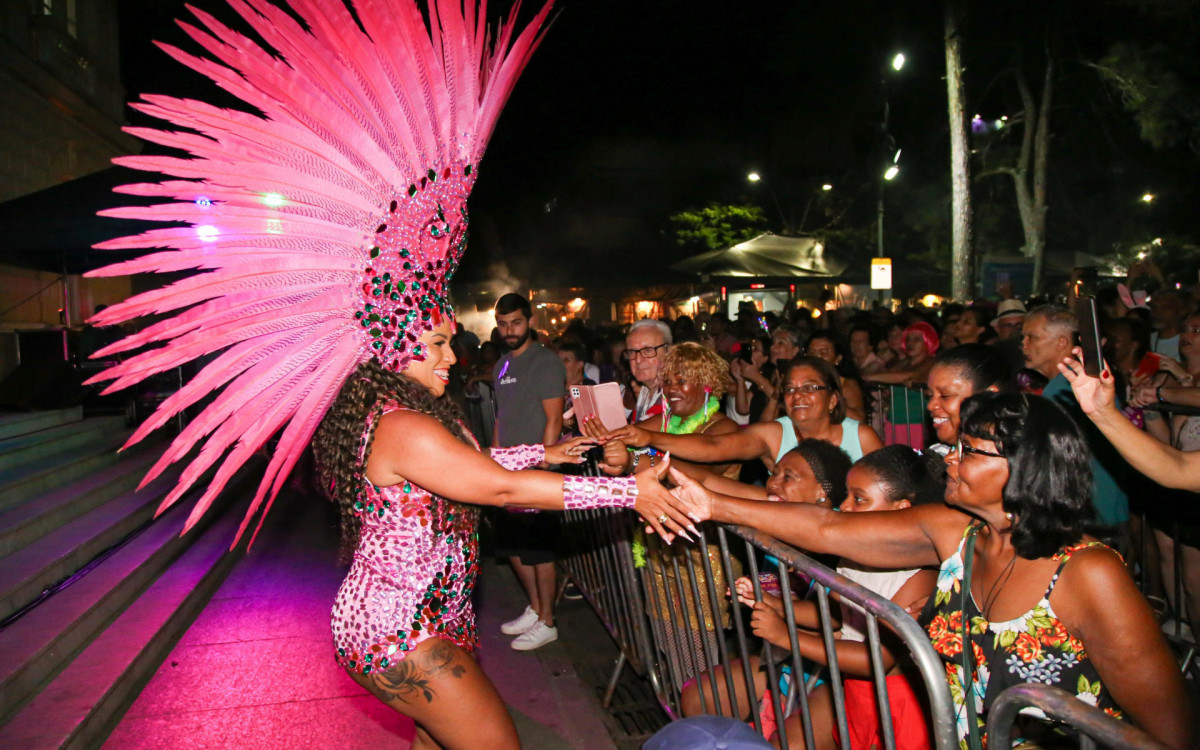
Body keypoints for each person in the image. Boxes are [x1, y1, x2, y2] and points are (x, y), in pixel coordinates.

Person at [79, 1, 699, 747]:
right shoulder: (401, 424)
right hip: (400, 632)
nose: (451, 356)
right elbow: (495, 490)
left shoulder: (409, 419)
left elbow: (472, 468)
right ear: (396, 352)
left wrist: (548, 450)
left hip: (427, 622)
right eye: (436, 344)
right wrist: (628, 491)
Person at [670, 392, 1192, 750]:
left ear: (1024, 469)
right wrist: (713, 505)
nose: (950, 459)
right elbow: (828, 527)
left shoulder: (1089, 573)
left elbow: (1169, 732)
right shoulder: (956, 533)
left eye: (970, 451)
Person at [678, 440, 854, 747]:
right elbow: (708, 483)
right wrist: (642, 460)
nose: (773, 483)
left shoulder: (845, 540)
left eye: (788, 477)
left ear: (821, 492)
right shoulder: (776, 512)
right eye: (774, 473)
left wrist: (777, 609)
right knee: (699, 695)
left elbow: (836, 623)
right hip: (787, 662)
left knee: (789, 744)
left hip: (836, 678)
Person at [602, 356, 881, 474]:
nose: (798, 395)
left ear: (833, 398)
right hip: (788, 552)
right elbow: (714, 446)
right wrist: (647, 439)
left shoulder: (862, 437)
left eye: (809, 387)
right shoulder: (773, 434)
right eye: (790, 388)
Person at [488, 292, 571, 651]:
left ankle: (548, 622)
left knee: (539, 550)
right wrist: (493, 459)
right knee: (513, 546)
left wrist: (544, 464)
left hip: (536, 469)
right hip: (506, 471)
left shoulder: (546, 362)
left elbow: (554, 418)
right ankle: (536, 609)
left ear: (530, 321)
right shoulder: (501, 365)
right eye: (503, 324)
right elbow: (501, 417)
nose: (510, 330)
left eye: (516, 323)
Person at [1024, 305, 1132, 530]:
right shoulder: (1071, 383)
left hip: (1089, 513)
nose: (1024, 344)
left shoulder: (1069, 388)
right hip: (1099, 508)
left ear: (1061, 342)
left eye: (1032, 337)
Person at [925, 344, 1011, 455]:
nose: (930, 405)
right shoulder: (937, 455)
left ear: (988, 396)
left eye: (946, 395)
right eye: (930, 396)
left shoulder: (1019, 458)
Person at [864, 321, 939, 448]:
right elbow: (890, 375)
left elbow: (907, 375)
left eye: (917, 339)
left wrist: (868, 377)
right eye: (908, 339)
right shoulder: (903, 363)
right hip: (895, 423)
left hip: (917, 425)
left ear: (928, 340)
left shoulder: (931, 362)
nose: (910, 343)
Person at [804, 331, 866, 422]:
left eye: (823, 352)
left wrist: (827, 401)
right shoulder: (799, 382)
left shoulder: (845, 384)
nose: (816, 357)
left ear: (837, 359)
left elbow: (859, 418)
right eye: (811, 352)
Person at [627, 318, 673, 422]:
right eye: (632, 351)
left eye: (648, 350)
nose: (638, 359)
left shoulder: (674, 395)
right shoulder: (644, 391)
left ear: (668, 353)